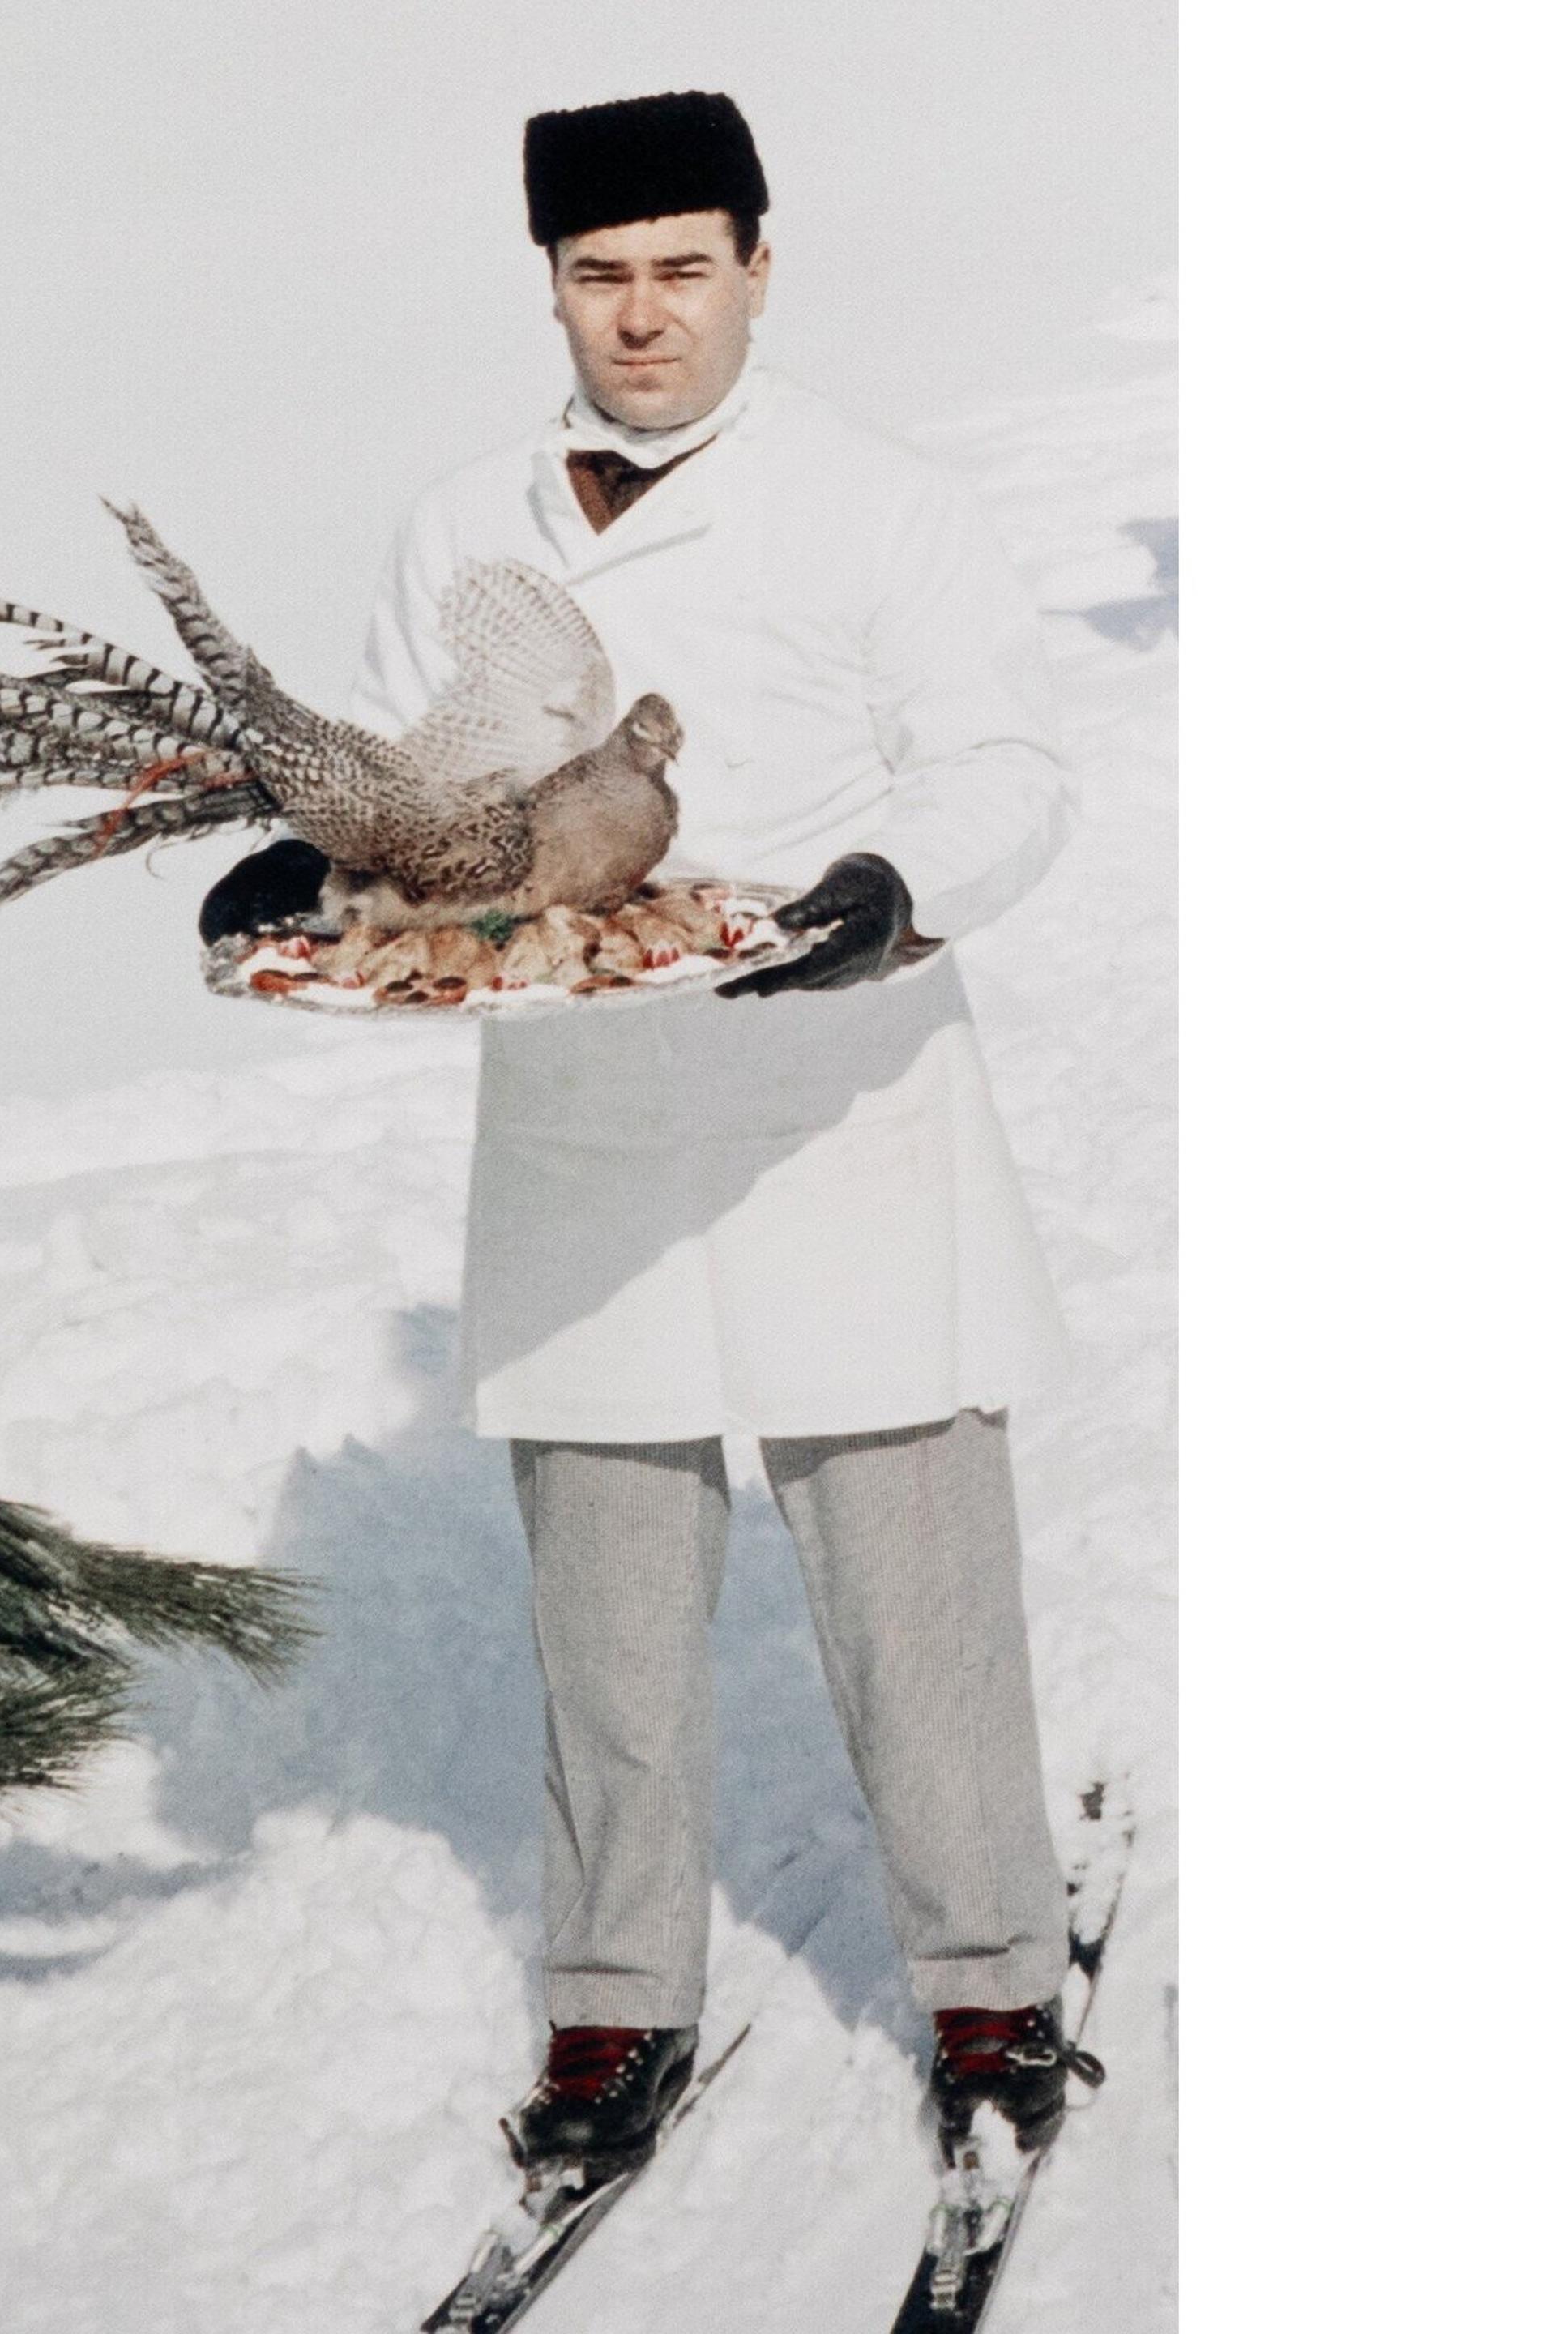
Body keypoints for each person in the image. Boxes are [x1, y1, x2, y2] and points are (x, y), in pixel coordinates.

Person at [331, 89, 1103, 2173]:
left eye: (683, 269)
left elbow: (1011, 762)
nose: (642, 317)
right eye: (600, 277)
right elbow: (415, 797)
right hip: (585, 1114)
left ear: (760, 261)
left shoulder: (883, 502)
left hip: (839, 1099)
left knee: (911, 1586)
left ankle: (991, 1980)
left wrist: (891, 889)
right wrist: (302, 880)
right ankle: (611, 2008)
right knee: (608, 1609)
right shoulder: (457, 519)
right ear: (551, 289)